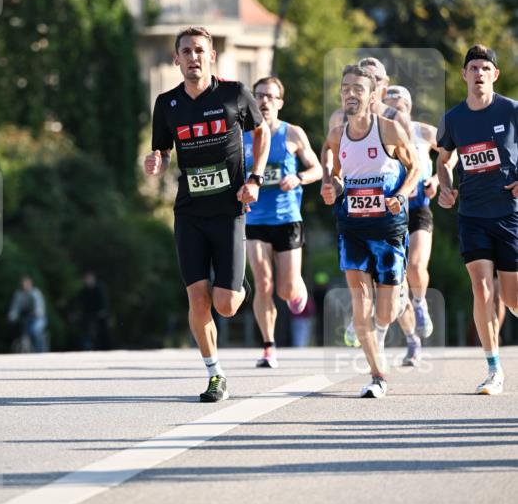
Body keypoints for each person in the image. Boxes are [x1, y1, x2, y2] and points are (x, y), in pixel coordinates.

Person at [145, 26, 270, 403]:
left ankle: (237, 286)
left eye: (200, 50)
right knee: (196, 298)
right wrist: (157, 160)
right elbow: (163, 151)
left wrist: (256, 178)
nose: (193, 57)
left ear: (211, 56)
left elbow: (261, 133)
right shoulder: (166, 104)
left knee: (226, 305)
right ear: (176, 59)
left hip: (229, 211)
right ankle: (215, 375)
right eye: (186, 51)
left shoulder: (233, 94)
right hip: (189, 213)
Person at [321, 64, 420, 398]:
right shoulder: (336, 135)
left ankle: (393, 306)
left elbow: (415, 167)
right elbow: (332, 170)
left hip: (389, 229)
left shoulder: (389, 129)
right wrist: (330, 185)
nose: (351, 93)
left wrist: (402, 194)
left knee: (386, 310)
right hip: (352, 228)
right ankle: (378, 376)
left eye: (358, 89)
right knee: (360, 304)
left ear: (373, 94)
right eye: (345, 88)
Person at [436, 45, 518, 396]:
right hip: (471, 213)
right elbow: (443, 160)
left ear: (495, 74)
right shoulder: (454, 118)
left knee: (513, 298)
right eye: (473, 67)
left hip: (509, 213)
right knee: (482, 287)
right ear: (464, 74)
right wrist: (445, 187)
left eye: (485, 67)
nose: (479, 73)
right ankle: (493, 369)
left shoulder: (512, 110)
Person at [242, 76, 322, 368]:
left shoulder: (292, 133)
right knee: (262, 283)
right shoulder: (241, 135)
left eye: (270, 97)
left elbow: (318, 168)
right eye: (259, 95)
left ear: (280, 103)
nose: (264, 101)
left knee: (285, 290)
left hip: (288, 218)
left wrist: (298, 177)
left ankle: (296, 289)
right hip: (255, 219)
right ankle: (268, 346)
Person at [384, 84, 439, 364]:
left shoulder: (425, 132)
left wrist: (438, 180)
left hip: (419, 210)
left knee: (417, 267)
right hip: (391, 213)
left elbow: (450, 152)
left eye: (400, 106)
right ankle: (411, 340)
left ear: (409, 106)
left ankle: (421, 304)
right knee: (398, 282)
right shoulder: (379, 134)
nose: (395, 112)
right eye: (389, 107)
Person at [8, 276, 48, 353]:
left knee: (35, 331)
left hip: (38, 318)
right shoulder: (19, 295)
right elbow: (15, 307)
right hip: (26, 317)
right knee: (22, 333)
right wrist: (12, 316)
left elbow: (39, 305)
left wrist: (37, 312)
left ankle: (40, 351)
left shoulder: (36, 293)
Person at [78, 271, 111, 351]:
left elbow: (104, 303)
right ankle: (88, 348)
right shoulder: (84, 291)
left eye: (89, 279)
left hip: (99, 316)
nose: (88, 281)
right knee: (87, 332)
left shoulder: (99, 289)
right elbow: (81, 304)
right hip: (88, 316)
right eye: (86, 279)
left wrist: (103, 312)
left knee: (101, 334)